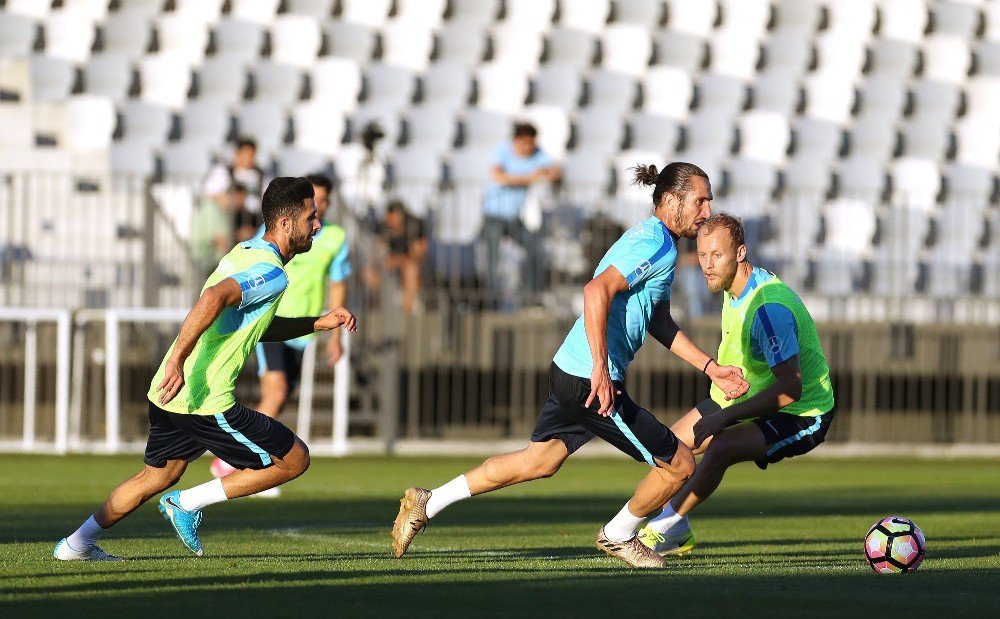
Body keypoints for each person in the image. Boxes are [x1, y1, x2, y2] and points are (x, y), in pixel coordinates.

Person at [391, 162, 749, 568]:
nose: (706, 211)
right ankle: (618, 535)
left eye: (709, 202)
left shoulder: (660, 244)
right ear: (671, 200)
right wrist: (601, 368)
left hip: (570, 370)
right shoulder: (653, 244)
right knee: (680, 464)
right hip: (590, 380)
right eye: (700, 201)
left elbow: (658, 321)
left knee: (538, 461)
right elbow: (596, 290)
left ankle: (429, 501)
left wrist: (710, 368)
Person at [53, 177, 358, 561]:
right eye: (311, 217)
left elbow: (256, 324)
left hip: (170, 389)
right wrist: (179, 359)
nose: (317, 224)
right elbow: (215, 297)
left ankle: (75, 544)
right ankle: (189, 503)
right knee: (295, 459)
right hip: (205, 397)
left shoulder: (245, 251)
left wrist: (317, 322)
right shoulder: (272, 271)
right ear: (285, 223)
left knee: (158, 476)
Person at [637, 213, 835, 556]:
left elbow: (791, 389)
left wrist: (724, 418)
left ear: (740, 253)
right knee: (668, 448)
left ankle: (662, 527)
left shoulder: (768, 308)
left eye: (717, 255)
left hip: (803, 412)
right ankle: (678, 530)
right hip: (750, 395)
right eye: (701, 255)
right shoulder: (732, 286)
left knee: (722, 446)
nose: (707, 266)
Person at [209, 175, 353, 493]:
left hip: (302, 331)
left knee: (281, 396)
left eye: (323, 201)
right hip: (271, 321)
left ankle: (241, 459)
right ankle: (244, 461)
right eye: (314, 202)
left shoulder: (334, 238)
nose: (319, 208)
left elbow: (338, 282)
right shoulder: (281, 232)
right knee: (277, 390)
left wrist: (336, 334)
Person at [481, 122, 561, 305]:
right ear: (516, 141)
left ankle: (531, 297)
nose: (529, 148)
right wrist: (531, 177)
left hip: (514, 219)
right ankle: (490, 300)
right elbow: (499, 177)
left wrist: (545, 173)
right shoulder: (502, 151)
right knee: (492, 258)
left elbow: (556, 171)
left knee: (535, 250)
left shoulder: (537, 154)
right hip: (493, 217)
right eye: (525, 143)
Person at [364, 200, 428, 314]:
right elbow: (377, 251)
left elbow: (420, 253)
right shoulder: (382, 227)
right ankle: (379, 306)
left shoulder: (416, 225)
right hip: (388, 264)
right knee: (368, 273)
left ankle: (409, 309)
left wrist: (399, 260)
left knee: (411, 269)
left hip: (411, 264)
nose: (392, 222)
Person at [203, 137, 266, 217]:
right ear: (237, 154)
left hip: (253, 220)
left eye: (252, 155)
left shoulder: (260, 175)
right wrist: (233, 199)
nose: (249, 159)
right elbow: (211, 195)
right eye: (246, 155)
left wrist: (244, 200)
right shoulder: (222, 172)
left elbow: (265, 199)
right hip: (227, 219)